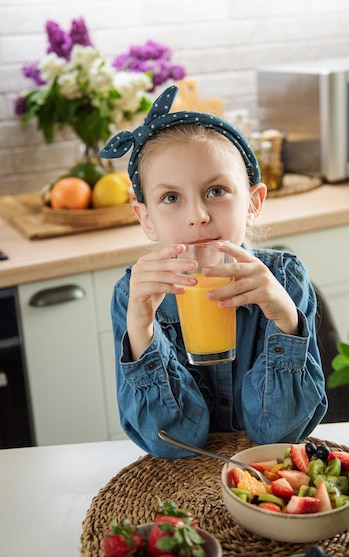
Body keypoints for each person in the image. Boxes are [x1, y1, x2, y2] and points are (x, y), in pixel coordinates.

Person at [100, 85, 327, 458]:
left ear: (253, 203)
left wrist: (285, 319)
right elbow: (171, 442)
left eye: (216, 191)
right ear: (146, 219)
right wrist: (141, 330)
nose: (198, 216)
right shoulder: (132, 296)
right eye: (171, 198)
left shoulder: (286, 280)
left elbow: (282, 434)